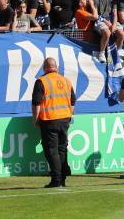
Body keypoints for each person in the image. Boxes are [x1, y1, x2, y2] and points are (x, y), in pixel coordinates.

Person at [32, 57, 76, 188]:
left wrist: (35, 120)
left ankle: (56, 179)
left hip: (49, 120)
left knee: (52, 151)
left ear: (45, 68)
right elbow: (73, 101)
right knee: (62, 149)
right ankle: (62, 178)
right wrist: (68, 114)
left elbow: (36, 103)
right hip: (65, 119)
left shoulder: (42, 81)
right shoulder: (66, 81)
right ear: (56, 67)